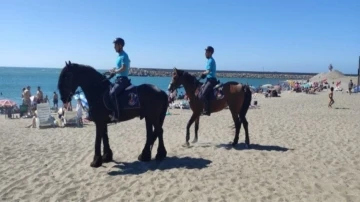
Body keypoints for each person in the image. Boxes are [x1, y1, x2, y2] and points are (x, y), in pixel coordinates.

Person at [108, 37, 131, 120]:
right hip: (118, 79)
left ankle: (116, 114)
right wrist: (113, 70)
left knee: (112, 94)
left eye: (115, 45)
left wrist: (115, 72)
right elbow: (118, 68)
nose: (114, 47)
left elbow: (124, 68)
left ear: (120, 45)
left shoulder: (124, 55)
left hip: (123, 80)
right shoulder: (119, 56)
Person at [199, 46, 217, 116]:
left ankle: (207, 110)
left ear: (210, 53)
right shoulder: (209, 60)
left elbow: (208, 71)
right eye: (205, 52)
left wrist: (203, 73)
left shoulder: (210, 60)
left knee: (203, 95)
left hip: (211, 80)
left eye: (206, 52)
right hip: (209, 79)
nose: (205, 53)